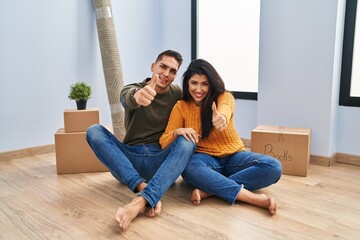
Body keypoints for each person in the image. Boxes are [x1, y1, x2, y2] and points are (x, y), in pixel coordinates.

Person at [86, 50, 196, 231]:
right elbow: (129, 98)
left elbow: (203, 94)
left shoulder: (176, 93)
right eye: (163, 66)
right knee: (94, 131)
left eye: (172, 71)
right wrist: (138, 96)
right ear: (153, 67)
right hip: (130, 160)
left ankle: (139, 201)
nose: (166, 74)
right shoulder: (132, 88)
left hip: (159, 160)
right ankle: (145, 188)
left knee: (188, 140)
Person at [159, 59, 282, 215]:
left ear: (211, 84)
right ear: (187, 84)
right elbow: (164, 142)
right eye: (194, 83)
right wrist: (178, 132)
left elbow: (226, 108)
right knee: (189, 169)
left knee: (273, 167)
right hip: (204, 159)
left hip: (234, 157)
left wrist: (222, 117)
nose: (198, 89)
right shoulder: (181, 106)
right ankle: (251, 198)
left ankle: (211, 190)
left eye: (204, 84)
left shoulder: (224, 96)